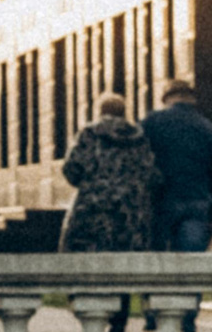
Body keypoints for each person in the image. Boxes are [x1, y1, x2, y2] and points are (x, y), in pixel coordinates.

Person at [57, 93, 159, 255]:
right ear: (124, 112)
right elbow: (151, 173)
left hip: (93, 208)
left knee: (87, 259)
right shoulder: (139, 138)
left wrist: (89, 185)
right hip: (131, 210)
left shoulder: (89, 134)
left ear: (101, 112)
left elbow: (71, 168)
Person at [140, 78, 212, 254]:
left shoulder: (151, 123)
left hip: (160, 202)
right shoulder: (207, 128)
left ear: (167, 99)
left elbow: (137, 160)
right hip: (196, 202)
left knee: (157, 260)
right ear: (192, 99)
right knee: (191, 262)